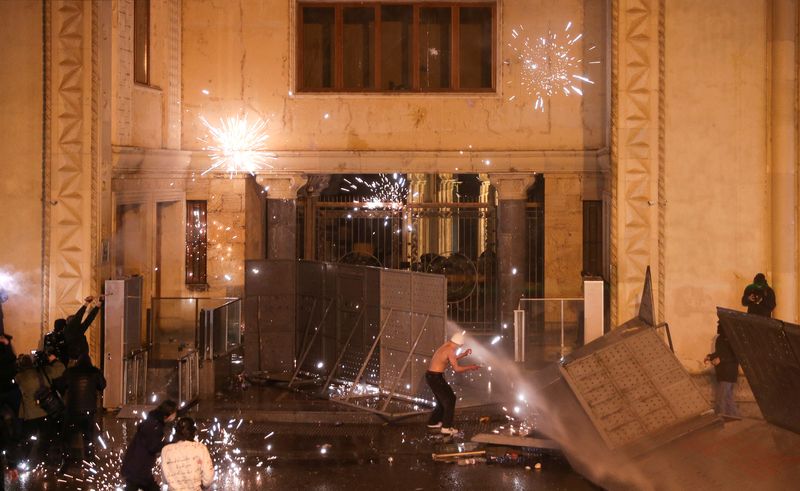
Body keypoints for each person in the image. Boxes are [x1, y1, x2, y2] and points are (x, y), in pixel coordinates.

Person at [53, 353, 106, 462]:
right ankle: (90, 460)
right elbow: (102, 385)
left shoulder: (70, 372)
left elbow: (61, 385)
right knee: (88, 437)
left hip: (72, 410)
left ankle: (65, 462)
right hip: (88, 411)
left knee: (67, 438)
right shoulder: (94, 372)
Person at [425, 332, 480, 435]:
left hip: (431, 376)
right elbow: (457, 369)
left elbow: (450, 359)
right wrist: (471, 367)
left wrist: (463, 354)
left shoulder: (446, 346)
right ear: (459, 344)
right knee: (450, 399)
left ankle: (433, 422)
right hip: (435, 378)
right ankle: (446, 427)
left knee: (442, 401)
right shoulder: (450, 350)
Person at [15, 353, 65, 464]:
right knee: (46, 438)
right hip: (45, 411)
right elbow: (61, 369)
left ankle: (23, 461)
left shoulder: (19, 377)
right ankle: (42, 459)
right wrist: (53, 359)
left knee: (27, 440)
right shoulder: (43, 371)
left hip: (29, 415)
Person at [121, 399, 178, 491]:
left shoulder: (154, 421)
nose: (175, 416)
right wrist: (170, 444)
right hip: (138, 468)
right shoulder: (155, 425)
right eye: (174, 413)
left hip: (137, 467)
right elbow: (153, 446)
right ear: (168, 413)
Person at [161, 417, 214, 490]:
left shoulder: (165, 450)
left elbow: (165, 480)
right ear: (193, 432)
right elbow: (208, 480)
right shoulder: (200, 448)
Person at [705, 323, 740, 418]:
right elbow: (720, 352)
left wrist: (721, 359)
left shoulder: (732, 338)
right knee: (728, 398)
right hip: (723, 372)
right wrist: (710, 356)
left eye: (720, 324)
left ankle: (720, 419)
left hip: (728, 374)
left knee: (722, 398)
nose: (718, 326)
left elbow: (735, 355)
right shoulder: (721, 339)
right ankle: (734, 418)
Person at [63, 296, 103, 365]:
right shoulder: (72, 330)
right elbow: (82, 317)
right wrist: (89, 303)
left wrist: (97, 303)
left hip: (76, 357)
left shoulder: (75, 330)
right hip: (79, 357)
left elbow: (88, 318)